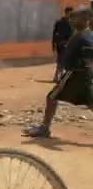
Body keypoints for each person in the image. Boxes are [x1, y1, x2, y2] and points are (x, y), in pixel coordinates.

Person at [24, 8, 93, 138]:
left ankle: (44, 128)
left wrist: (79, 64)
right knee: (90, 102)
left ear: (84, 20)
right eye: (71, 18)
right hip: (84, 74)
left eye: (74, 18)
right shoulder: (86, 35)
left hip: (75, 73)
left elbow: (86, 54)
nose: (71, 21)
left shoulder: (82, 36)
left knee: (52, 97)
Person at [52, 7, 74, 83]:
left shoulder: (71, 22)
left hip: (67, 44)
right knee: (61, 61)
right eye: (70, 13)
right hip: (62, 44)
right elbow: (54, 34)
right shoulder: (60, 22)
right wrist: (54, 44)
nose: (71, 15)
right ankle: (58, 77)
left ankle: (58, 77)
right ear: (66, 13)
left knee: (63, 61)